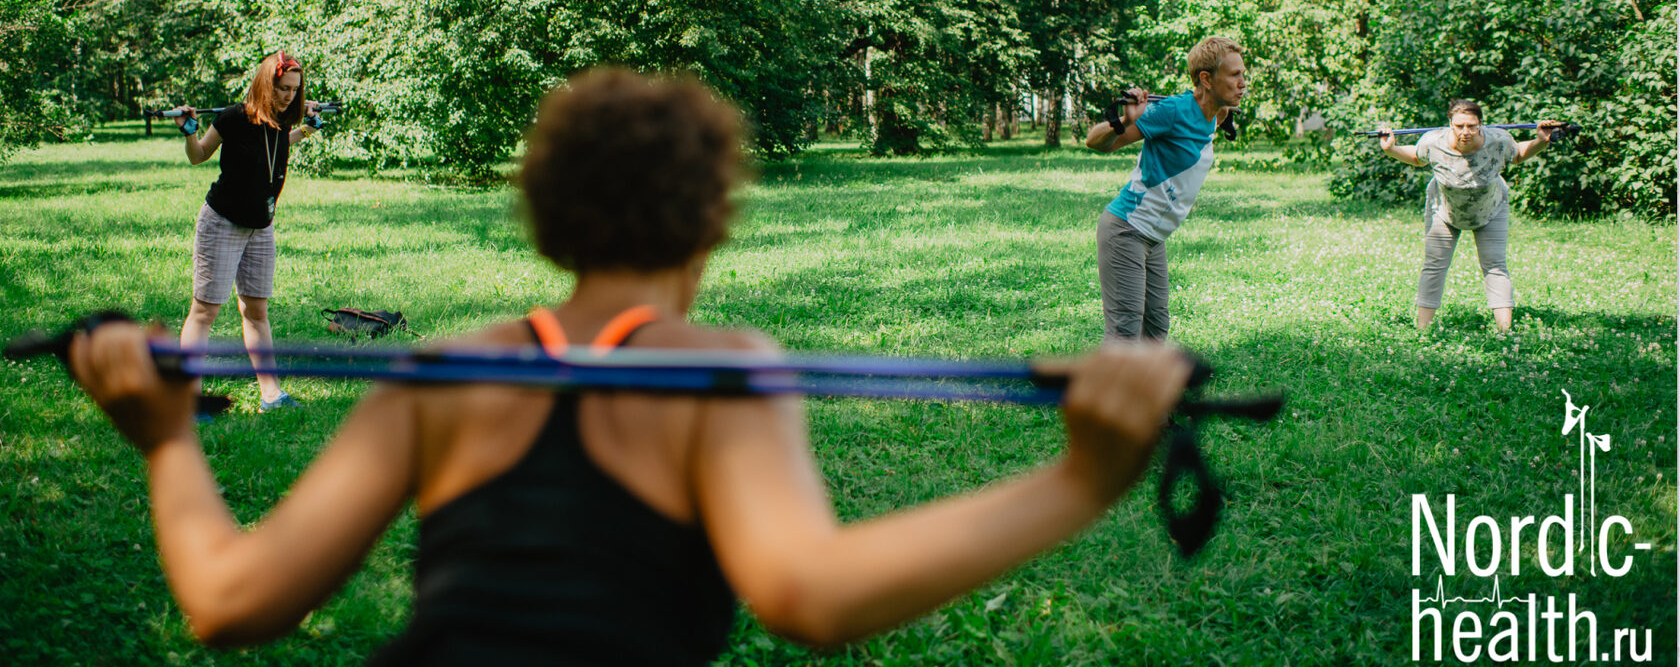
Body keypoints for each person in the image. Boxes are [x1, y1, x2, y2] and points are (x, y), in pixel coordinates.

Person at [65, 68, 1192, 664]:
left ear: (548, 224)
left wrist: (165, 437)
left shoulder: (448, 368)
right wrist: (1081, 480)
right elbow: (809, 595)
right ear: (710, 229)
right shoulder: (723, 366)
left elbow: (227, 601)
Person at [173, 51, 324, 413]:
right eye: (283, 88)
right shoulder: (233, 118)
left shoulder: (282, 120)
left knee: (257, 311)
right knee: (205, 311)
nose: (289, 96)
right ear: (265, 82)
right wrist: (190, 133)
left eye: (294, 90)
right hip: (222, 221)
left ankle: (272, 396)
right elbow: (199, 156)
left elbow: (275, 148)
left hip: (261, 226)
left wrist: (306, 128)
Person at [1085, 36, 1246, 342]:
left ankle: (1148, 390)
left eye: (1243, 75)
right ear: (1206, 79)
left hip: (1154, 238)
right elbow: (1095, 142)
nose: (1242, 83)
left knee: (1156, 330)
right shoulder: (1171, 111)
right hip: (1126, 229)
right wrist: (1124, 120)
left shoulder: (1218, 114)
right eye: (1234, 75)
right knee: (1125, 332)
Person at [1378, 99, 1560, 333]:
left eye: (1472, 126)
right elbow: (1416, 157)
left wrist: (1541, 141)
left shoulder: (1498, 140)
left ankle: (1505, 331)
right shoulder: (1433, 141)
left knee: (1495, 265)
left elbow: (1518, 155)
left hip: (1490, 208)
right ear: (1450, 124)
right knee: (1434, 265)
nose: (1466, 132)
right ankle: (1423, 331)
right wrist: (1390, 149)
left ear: (1481, 124)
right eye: (1460, 126)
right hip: (1444, 210)